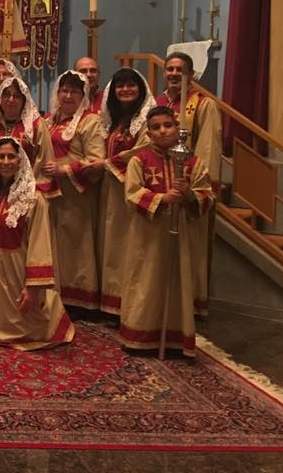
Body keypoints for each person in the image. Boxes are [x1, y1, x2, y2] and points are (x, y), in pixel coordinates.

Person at [0, 137, 75, 350]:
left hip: (18, 273)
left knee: (29, 324)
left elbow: (40, 243)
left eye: (11, 156)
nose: (5, 161)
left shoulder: (34, 199)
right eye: (1, 156)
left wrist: (33, 289)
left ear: (20, 160)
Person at [119, 106, 213, 357]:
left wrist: (189, 195)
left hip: (181, 234)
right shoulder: (139, 161)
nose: (162, 131)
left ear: (177, 128)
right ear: (148, 133)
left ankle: (176, 339)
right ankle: (140, 336)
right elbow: (131, 194)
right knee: (146, 283)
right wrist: (163, 198)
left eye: (167, 125)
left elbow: (206, 195)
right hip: (149, 236)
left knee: (178, 282)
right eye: (156, 127)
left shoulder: (193, 162)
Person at [155, 51, 221, 317]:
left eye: (179, 70)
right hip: (161, 183)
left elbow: (208, 146)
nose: (173, 74)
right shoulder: (159, 102)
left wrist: (196, 187)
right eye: (169, 69)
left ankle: (188, 306)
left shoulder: (203, 104)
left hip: (188, 185)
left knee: (188, 249)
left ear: (190, 75)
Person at [41, 70, 106, 310]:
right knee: (55, 243)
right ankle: (57, 291)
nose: (67, 96)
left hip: (76, 193)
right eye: (64, 91)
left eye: (74, 92)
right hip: (52, 192)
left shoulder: (91, 121)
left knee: (77, 244)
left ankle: (79, 298)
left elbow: (97, 159)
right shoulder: (50, 119)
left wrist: (65, 169)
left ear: (83, 95)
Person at [95, 68, 155, 315]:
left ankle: (126, 304)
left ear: (140, 89)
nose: (125, 89)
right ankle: (109, 301)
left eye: (131, 85)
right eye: (120, 86)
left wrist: (107, 164)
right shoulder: (115, 121)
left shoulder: (147, 121)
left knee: (127, 246)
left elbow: (143, 150)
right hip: (109, 190)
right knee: (110, 244)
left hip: (131, 189)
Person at [0, 76, 58, 198]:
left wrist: (30, 191)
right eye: (6, 95)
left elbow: (44, 162)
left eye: (17, 96)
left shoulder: (36, 125)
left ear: (24, 100)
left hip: (26, 193)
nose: (11, 99)